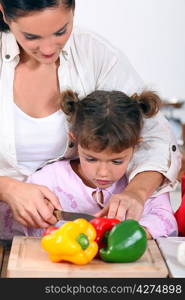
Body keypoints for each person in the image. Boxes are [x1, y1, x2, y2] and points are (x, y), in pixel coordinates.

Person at [0, 0, 181, 240]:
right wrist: (7, 188)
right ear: (3, 12)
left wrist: (136, 193)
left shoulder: (95, 55)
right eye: (31, 36)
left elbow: (154, 137)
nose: (47, 48)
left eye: (61, 31)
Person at [23, 89, 178, 239]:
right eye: (91, 159)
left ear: (135, 146)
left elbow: (166, 222)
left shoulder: (143, 181)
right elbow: (19, 227)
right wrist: (35, 218)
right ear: (74, 139)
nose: (103, 172)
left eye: (117, 161)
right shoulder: (48, 180)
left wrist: (131, 235)